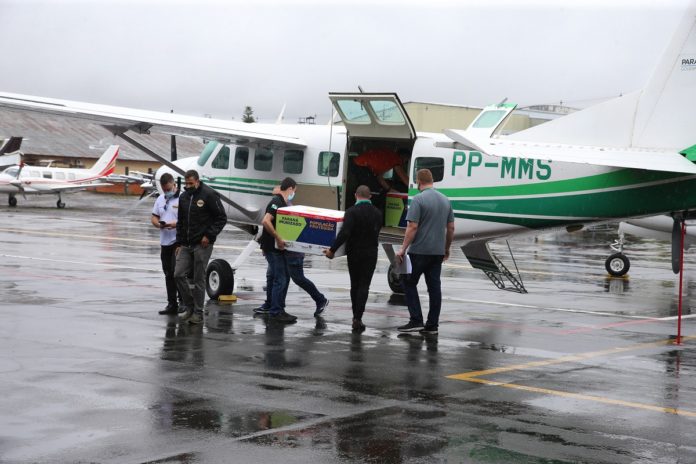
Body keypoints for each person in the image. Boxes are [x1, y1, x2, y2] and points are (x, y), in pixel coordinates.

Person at [395, 169, 454, 335]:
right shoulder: (445, 200)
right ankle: (432, 325)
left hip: (419, 251)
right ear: (432, 181)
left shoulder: (418, 199)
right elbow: (451, 228)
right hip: (437, 252)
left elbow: (412, 226)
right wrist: (446, 248)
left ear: (418, 182)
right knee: (434, 288)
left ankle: (416, 320)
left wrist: (402, 249)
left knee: (408, 282)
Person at [254, 186, 329, 317]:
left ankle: (320, 299)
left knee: (295, 278)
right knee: (272, 276)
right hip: (281, 250)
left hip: (292, 253)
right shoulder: (280, 204)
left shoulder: (286, 207)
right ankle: (271, 304)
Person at [324, 185, 382, 332]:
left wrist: (332, 250)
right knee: (364, 286)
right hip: (370, 253)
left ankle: (355, 316)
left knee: (354, 285)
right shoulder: (378, 213)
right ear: (370, 197)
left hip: (354, 253)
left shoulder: (351, 212)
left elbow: (344, 233)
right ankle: (358, 318)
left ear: (356, 195)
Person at [174, 169, 227, 325]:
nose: (188, 186)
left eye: (191, 183)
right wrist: (179, 242)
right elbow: (180, 222)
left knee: (198, 278)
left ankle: (198, 312)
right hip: (186, 244)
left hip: (202, 244)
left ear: (197, 181)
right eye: (186, 183)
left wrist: (209, 236)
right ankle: (189, 306)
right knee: (178, 274)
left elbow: (221, 218)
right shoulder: (183, 197)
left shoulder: (209, 195)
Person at [257, 177, 298, 324]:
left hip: (274, 248)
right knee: (280, 279)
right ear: (290, 188)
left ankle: (277, 308)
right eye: (294, 191)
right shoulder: (277, 202)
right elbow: (266, 221)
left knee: (280, 277)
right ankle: (276, 311)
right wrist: (278, 238)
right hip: (273, 248)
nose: (294, 193)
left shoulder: (282, 202)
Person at [151, 172, 180, 315]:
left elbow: (187, 220)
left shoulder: (181, 199)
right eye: (164, 189)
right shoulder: (160, 200)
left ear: (174, 184)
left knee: (177, 272)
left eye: (169, 189)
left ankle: (183, 302)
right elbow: (154, 217)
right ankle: (172, 304)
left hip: (177, 241)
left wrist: (176, 224)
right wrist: (159, 225)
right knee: (168, 273)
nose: (166, 192)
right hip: (165, 242)